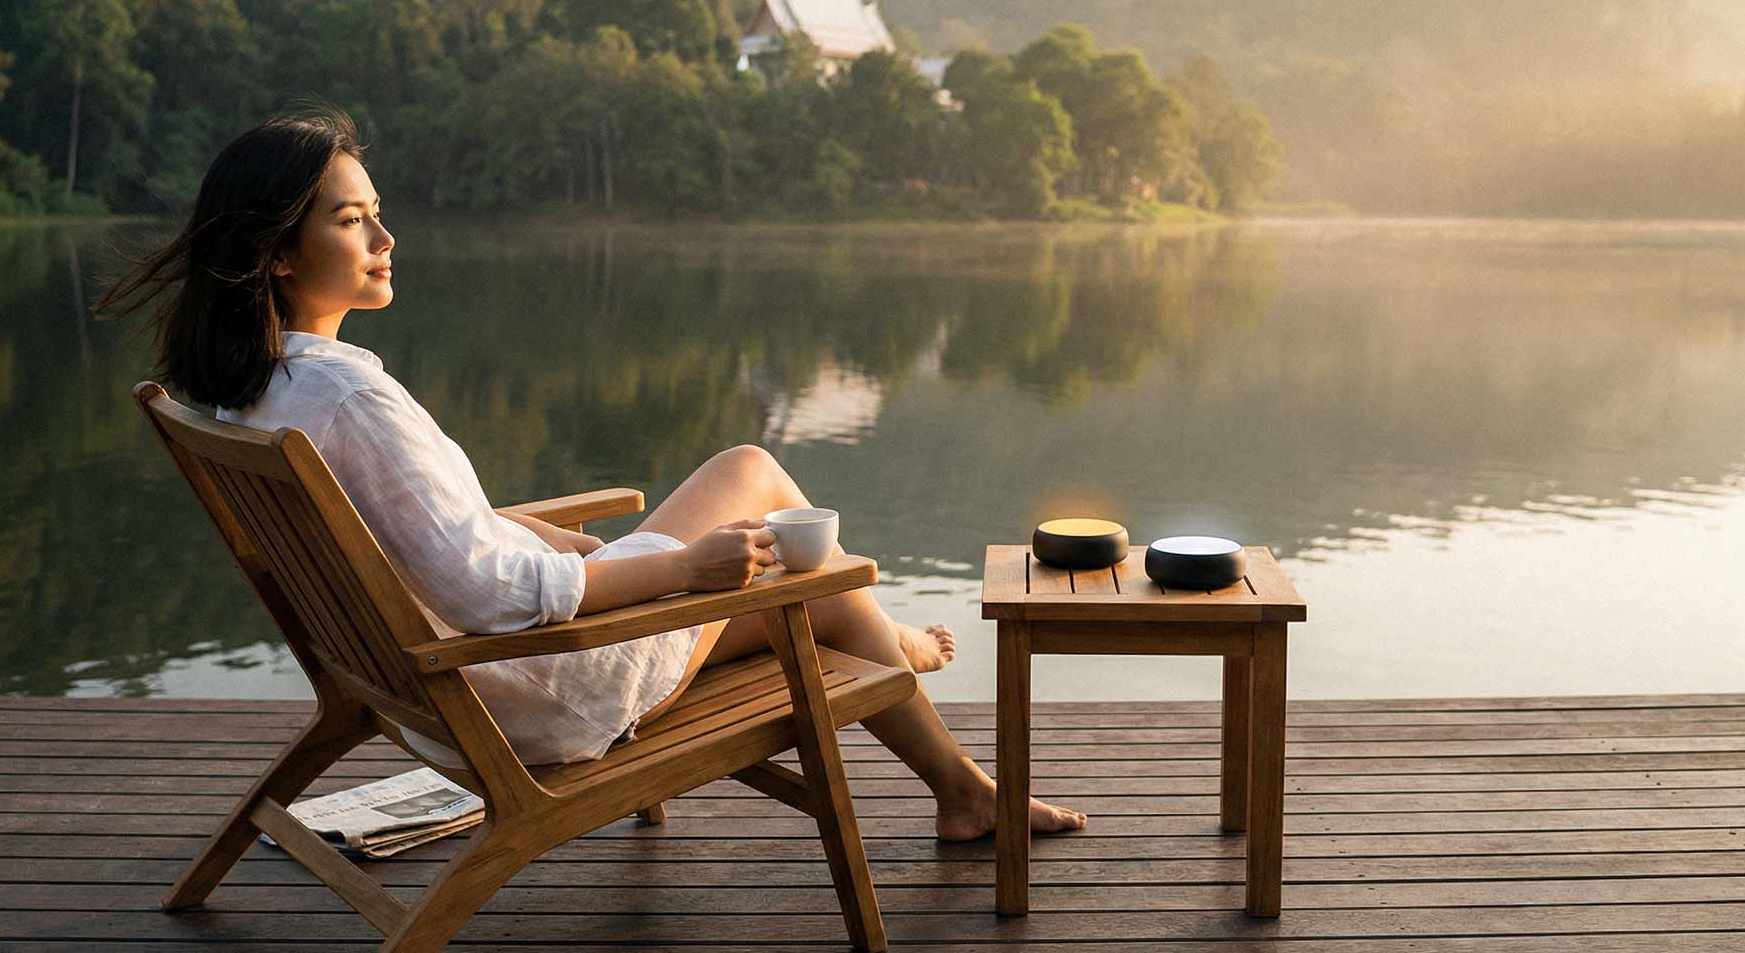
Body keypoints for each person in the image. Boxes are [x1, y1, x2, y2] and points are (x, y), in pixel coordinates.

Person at [97, 109, 1085, 841]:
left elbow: (425, 538)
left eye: (378, 215)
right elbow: (487, 590)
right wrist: (677, 571)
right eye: (355, 222)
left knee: (784, 536)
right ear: (276, 254)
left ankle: (952, 770)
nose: (387, 239)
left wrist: (552, 538)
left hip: (420, 683)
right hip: (532, 691)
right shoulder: (351, 400)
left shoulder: (249, 393)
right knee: (796, 542)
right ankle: (945, 751)